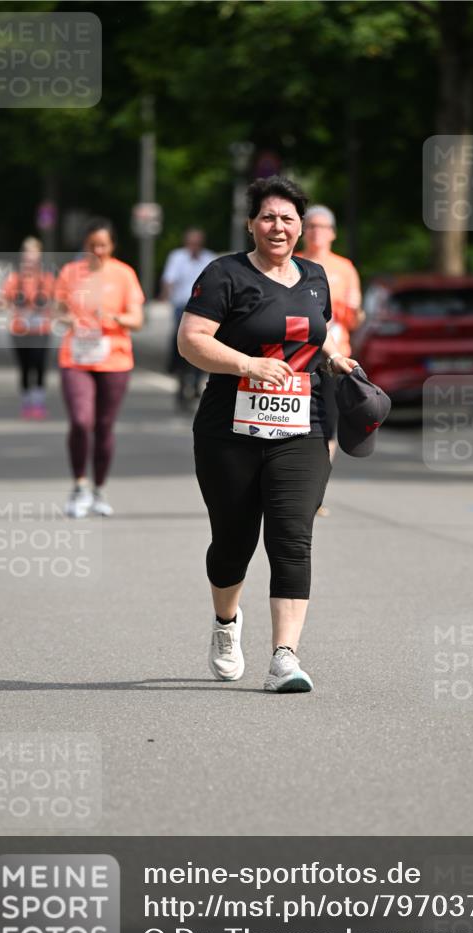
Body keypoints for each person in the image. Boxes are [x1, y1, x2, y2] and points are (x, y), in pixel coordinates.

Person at [177, 176, 358, 694]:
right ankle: (226, 624)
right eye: (268, 217)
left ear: (302, 227)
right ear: (250, 223)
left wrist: (334, 357)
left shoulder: (316, 277)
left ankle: (285, 657)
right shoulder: (224, 275)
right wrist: (245, 364)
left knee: (291, 536)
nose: (278, 227)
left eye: (288, 218)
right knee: (233, 542)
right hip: (228, 430)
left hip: (303, 425)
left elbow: (314, 335)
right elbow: (191, 341)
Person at [55, 219, 144, 518]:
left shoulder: (123, 274)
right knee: (81, 421)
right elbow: (59, 310)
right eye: (92, 245)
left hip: (114, 359)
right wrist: (68, 318)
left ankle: (99, 489)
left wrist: (113, 317)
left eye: (103, 245)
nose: (98, 250)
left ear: (112, 246)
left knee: (104, 426)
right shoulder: (70, 273)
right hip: (76, 358)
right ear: (85, 246)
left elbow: (137, 319)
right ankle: (79, 485)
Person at [300, 205, 363, 514]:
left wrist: (351, 313)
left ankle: (316, 494)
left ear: (333, 233)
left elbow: (354, 315)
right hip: (298, 356)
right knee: (297, 424)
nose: (316, 232)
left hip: (335, 357)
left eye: (322, 227)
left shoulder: (344, 268)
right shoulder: (293, 263)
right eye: (310, 226)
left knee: (328, 427)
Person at [0, 236, 55, 419]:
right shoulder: (14, 278)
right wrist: (14, 309)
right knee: (24, 366)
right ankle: (26, 402)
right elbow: (3, 300)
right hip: (20, 329)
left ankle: (38, 401)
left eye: (34, 253)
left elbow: (57, 301)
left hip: (41, 330)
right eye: (27, 253)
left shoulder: (46, 278)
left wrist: (47, 311)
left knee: (39, 364)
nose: (30, 257)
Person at [161, 228, 215, 409]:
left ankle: (197, 380)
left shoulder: (209, 258)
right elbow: (169, 280)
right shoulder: (177, 257)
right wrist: (166, 298)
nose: (194, 247)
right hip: (182, 306)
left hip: (204, 309)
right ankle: (181, 380)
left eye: (197, 243)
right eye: (192, 243)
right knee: (179, 344)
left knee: (203, 345)